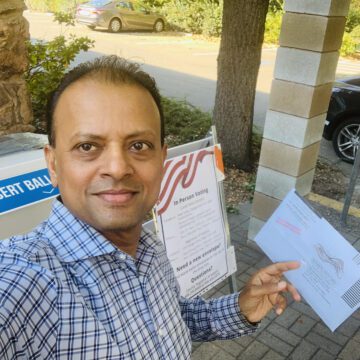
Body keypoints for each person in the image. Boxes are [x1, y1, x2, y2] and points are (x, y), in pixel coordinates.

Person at [0, 55, 301, 359]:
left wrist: (241, 306)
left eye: (139, 146)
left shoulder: (147, 246)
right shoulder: (27, 279)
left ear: (162, 159)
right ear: (53, 164)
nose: (117, 168)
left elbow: (169, 320)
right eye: (87, 147)